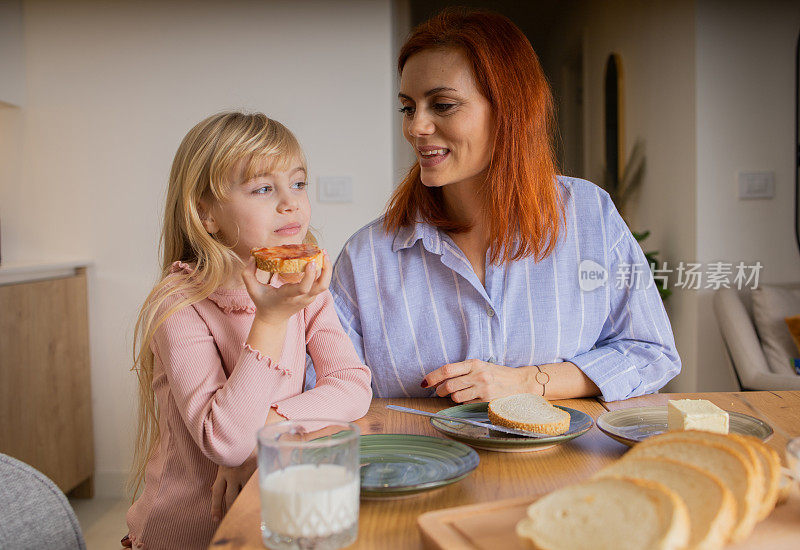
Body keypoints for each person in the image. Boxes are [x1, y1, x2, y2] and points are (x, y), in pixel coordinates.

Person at [328, 8, 680, 403]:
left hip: (566, 464)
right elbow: (324, 390)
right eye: (408, 108)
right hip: (420, 462)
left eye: (442, 105)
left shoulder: (589, 216)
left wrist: (527, 383)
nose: (416, 128)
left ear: (510, 110)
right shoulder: (365, 258)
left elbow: (652, 353)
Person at [123, 112, 372, 550]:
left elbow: (353, 384)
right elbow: (229, 443)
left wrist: (272, 425)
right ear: (206, 215)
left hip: (267, 512)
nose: (291, 203)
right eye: (262, 189)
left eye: (297, 184)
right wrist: (271, 320)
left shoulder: (303, 286)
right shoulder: (179, 304)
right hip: (186, 533)